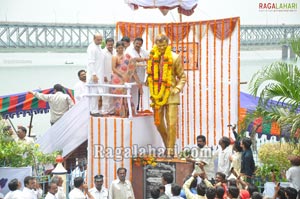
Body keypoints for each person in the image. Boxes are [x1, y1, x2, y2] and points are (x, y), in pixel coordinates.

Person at [147, 34, 186, 156]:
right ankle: (167, 144)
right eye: (159, 45)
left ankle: (170, 150)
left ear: (167, 44)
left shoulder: (174, 57)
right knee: (158, 123)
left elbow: (182, 77)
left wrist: (178, 88)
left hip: (171, 94)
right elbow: (149, 73)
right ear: (156, 45)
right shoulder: (152, 57)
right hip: (157, 95)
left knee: (172, 124)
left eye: (164, 45)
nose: (161, 48)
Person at [111, 41, 143, 117]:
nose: (120, 49)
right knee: (119, 96)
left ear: (124, 48)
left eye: (122, 48)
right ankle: (121, 112)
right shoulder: (114, 57)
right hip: (117, 78)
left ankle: (128, 111)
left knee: (127, 94)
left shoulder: (128, 56)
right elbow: (113, 68)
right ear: (116, 49)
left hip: (125, 78)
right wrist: (121, 75)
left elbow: (133, 62)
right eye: (119, 48)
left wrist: (145, 60)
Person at [125, 37, 149, 112]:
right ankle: (128, 110)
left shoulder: (143, 51)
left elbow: (149, 56)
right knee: (130, 93)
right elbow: (133, 60)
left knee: (136, 93)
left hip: (140, 75)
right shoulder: (129, 50)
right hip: (131, 75)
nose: (138, 45)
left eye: (140, 44)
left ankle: (135, 110)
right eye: (137, 43)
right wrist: (144, 60)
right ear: (133, 43)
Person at [87, 33, 105, 117]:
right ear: (94, 38)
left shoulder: (98, 47)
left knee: (97, 93)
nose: (100, 41)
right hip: (94, 75)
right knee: (93, 93)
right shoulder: (92, 48)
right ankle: (93, 111)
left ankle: (95, 109)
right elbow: (91, 62)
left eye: (101, 40)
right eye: (98, 40)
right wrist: (94, 74)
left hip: (99, 74)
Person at [102, 38, 115, 114]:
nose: (110, 46)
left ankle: (112, 110)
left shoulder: (115, 52)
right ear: (106, 44)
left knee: (113, 93)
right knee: (106, 94)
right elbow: (101, 65)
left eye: (111, 44)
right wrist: (103, 75)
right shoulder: (103, 52)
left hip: (114, 76)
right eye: (109, 44)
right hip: (106, 76)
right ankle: (105, 110)